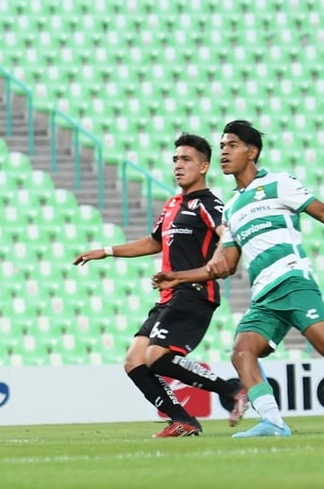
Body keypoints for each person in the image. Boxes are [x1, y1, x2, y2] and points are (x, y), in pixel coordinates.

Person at [153, 120, 324, 438]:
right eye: (221, 147)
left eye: (231, 145)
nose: (224, 152)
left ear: (252, 151)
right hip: (264, 296)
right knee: (242, 352)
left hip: (291, 279)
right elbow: (224, 266)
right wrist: (178, 277)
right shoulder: (231, 209)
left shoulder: (277, 183)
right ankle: (273, 422)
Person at [72, 134, 249, 438]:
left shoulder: (207, 203)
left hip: (194, 292)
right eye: (176, 160)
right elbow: (154, 241)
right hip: (169, 295)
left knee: (156, 356)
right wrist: (107, 251)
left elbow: (226, 232)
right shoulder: (173, 204)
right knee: (134, 361)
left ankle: (230, 388)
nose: (179, 166)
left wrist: (220, 255)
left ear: (204, 166)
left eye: (187, 160)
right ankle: (183, 420)